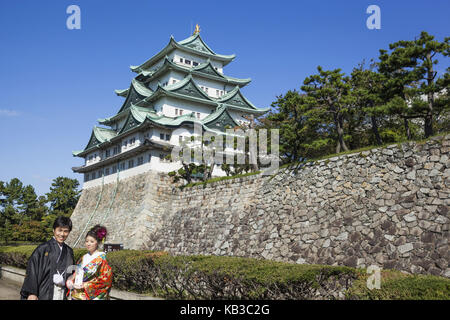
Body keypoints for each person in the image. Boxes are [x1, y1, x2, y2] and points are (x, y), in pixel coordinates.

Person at [20, 216, 75, 300]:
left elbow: (71, 272)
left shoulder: (69, 251)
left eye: (66, 231)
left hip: (62, 293)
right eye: (59, 230)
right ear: (54, 230)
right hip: (44, 292)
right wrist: (32, 293)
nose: (62, 234)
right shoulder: (42, 249)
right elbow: (33, 271)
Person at [66, 225, 113, 300]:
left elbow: (105, 280)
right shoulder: (83, 257)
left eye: (92, 241)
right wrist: (71, 280)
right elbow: (77, 272)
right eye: (87, 241)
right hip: (77, 294)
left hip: (90, 296)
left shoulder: (102, 259)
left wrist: (86, 285)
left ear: (97, 242)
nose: (88, 244)